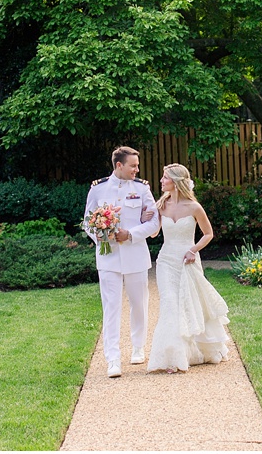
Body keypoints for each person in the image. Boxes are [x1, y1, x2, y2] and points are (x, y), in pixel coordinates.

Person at [84, 146, 159, 378]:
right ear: (119, 165)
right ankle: (113, 359)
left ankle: (138, 347)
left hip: (135, 254)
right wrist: (98, 234)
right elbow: (88, 220)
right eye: (133, 166)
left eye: (137, 166)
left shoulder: (142, 189)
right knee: (111, 307)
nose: (137, 169)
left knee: (139, 303)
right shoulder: (98, 189)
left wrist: (132, 234)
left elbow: (154, 222)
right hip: (108, 257)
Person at [147, 163, 230, 374]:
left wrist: (193, 250)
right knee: (169, 303)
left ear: (175, 182)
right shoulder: (161, 205)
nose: (161, 181)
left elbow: (208, 234)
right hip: (166, 261)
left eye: (165, 178)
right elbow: (154, 233)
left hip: (187, 260)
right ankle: (173, 357)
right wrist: (147, 220)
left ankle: (197, 349)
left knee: (190, 303)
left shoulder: (194, 207)